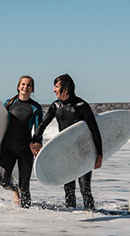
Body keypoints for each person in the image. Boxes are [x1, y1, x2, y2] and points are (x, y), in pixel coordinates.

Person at [30, 73, 103, 211]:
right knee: (68, 188)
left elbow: (95, 130)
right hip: (66, 152)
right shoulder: (55, 106)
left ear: (66, 87)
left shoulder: (81, 105)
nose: (54, 90)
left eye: (56, 86)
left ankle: (92, 216)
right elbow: (42, 125)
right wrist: (33, 141)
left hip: (82, 151)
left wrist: (99, 155)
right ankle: (71, 217)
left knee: (85, 188)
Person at [0, 75, 43, 208]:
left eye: (28, 85)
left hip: (25, 149)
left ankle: (26, 215)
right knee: (4, 181)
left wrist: (37, 145)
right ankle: (14, 189)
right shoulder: (8, 104)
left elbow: (38, 130)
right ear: (18, 87)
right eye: (23, 84)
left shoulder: (36, 108)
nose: (25, 87)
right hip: (8, 147)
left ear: (32, 89)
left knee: (25, 186)